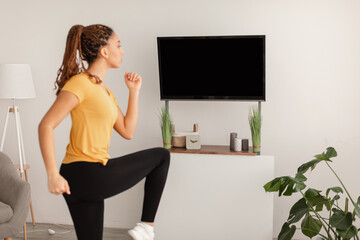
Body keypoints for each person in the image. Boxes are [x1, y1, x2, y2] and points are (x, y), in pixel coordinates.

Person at [38, 24, 170, 240]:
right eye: (119, 45)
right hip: (85, 172)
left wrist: (134, 93)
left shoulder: (104, 90)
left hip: (85, 176)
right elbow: (46, 125)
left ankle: (146, 228)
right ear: (104, 51)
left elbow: (127, 131)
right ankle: (146, 226)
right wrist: (53, 174)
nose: (123, 50)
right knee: (161, 156)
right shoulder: (80, 83)